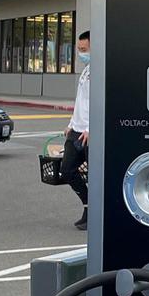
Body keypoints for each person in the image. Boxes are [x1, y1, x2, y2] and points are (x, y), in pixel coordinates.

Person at [65, 29, 90, 231]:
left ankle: (93, 212)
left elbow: (101, 103)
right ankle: (88, 204)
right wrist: (71, 124)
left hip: (91, 133)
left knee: (95, 175)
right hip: (76, 130)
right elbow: (80, 101)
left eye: (84, 49)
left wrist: (92, 129)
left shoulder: (102, 70)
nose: (81, 53)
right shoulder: (86, 70)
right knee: (67, 170)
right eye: (79, 49)